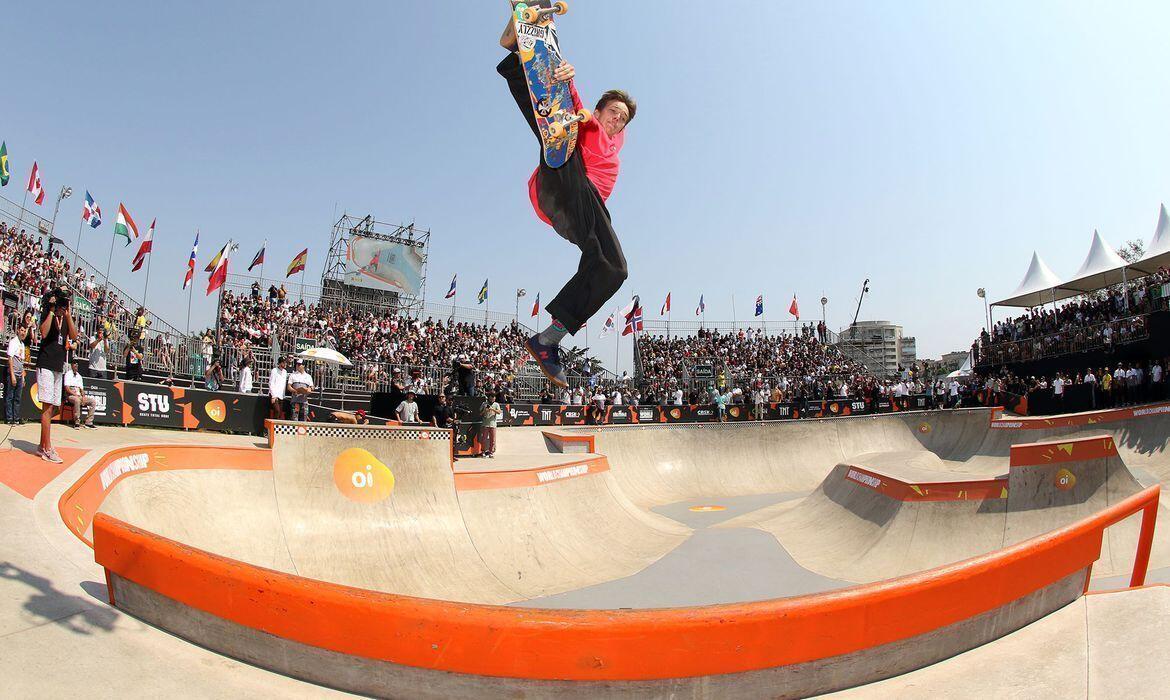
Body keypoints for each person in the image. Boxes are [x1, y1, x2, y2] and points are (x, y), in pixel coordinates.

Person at [499, 19, 636, 388]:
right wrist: (564, 71)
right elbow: (569, 98)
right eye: (612, 113)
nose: (615, 121)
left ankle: (548, 340)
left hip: (578, 210)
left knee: (612, 268)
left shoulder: (615, 151)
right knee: (561, 124)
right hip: (561, 183)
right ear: (601, 110)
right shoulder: (588, 120)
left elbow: (600, 199)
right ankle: (518, 56)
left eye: (622, 120)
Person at [36, 286, 78, 463]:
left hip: (58, 366)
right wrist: (52, 311)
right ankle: (47, 448)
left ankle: (41, 445)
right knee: (47, 407)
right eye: (61, 304)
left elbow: (74, 336)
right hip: (45, 364)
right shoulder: (49, 313)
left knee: (53, 407)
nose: (62, 307)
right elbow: (43, 332)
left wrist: (68, 315)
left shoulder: (65, 318)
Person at [6, 317, 29, 425]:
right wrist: (12, 375)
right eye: (22, 330)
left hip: (20, 374)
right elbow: (10, 358)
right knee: (10, 396)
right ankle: (9, 418)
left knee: (17, 398)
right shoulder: (13, 342)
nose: (23, 332)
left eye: (25, 331)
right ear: (18, 330)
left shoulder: (22, 344)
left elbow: (22, 362)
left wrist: (23, 376)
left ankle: (16, 418)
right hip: (13, 374)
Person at [63, 360, 96, 429]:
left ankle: (88, 422)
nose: (76, 366)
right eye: (74, 364)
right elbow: (67, 389)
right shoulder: (68, 374)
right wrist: (75, 394)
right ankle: (77, 422)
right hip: (70, 395)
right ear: (71, 365)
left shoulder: (79, 376)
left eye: (77, 365)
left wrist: (83, 397)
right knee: (77, 400)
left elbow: (82, 389)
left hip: (79, 394)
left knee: (93, 401)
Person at [479, 391, 501, 458]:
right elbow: (480, 413)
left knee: (493, 439)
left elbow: (499, 412)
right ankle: (483, 451)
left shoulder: (496, 404)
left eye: (494, 398)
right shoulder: (484, 404)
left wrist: (492, 409)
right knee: (484, 439)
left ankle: (491, 452)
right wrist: (485, 410)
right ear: (489, 398)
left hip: (493, 424)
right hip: (485, 424)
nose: (492, 400)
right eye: (491, 398)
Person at [269, 356, 289, 420]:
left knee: (279, 412)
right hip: (274, 394)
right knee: (277, 411)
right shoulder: (274, 370)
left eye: (285, 362)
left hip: (281, 395)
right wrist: (273, 396)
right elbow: (271, 383)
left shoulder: (285, 372)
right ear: (280, 363)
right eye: (284, 362)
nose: (285, 364)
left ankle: (275, 427)